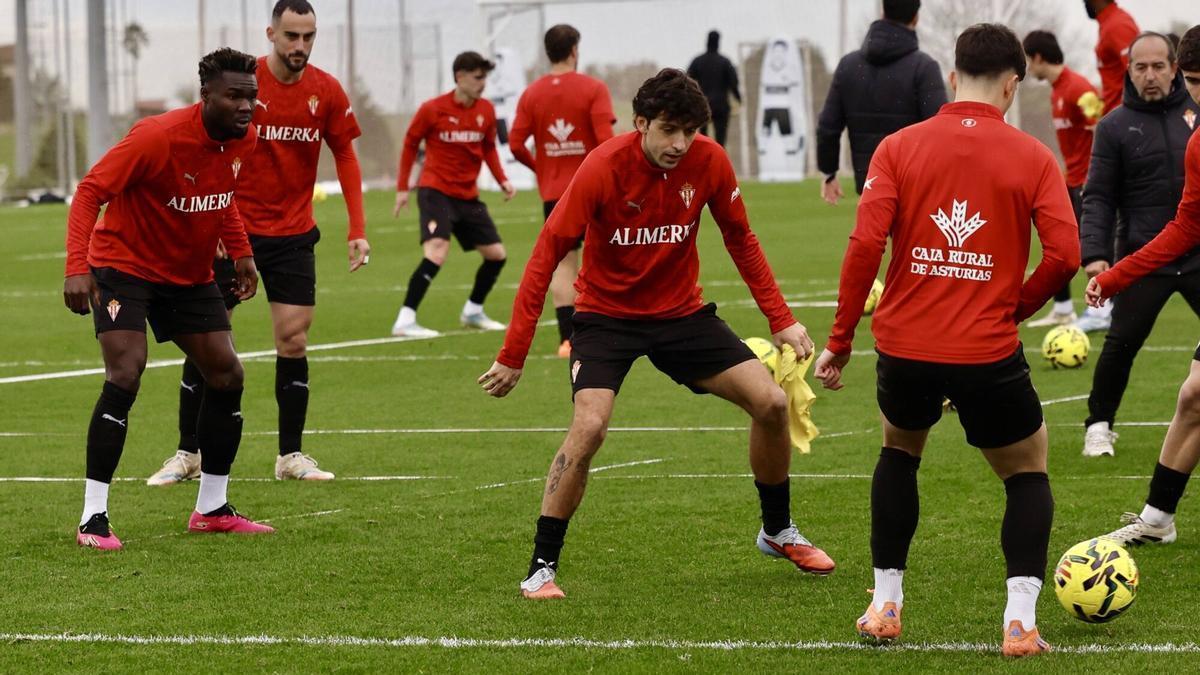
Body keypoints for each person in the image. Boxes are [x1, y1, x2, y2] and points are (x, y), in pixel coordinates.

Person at [480, 68, 834, 600]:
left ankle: (776, 529)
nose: (680, 144)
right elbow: (545, 256)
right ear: (640, 123)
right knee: (591, 426)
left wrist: (779, 317)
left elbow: (741, 238)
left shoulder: (709, 160)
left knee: (771, 404)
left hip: (680, 317)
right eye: (668, 130)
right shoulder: (602, 167)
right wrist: (514, 353)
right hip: (606, 319)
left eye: (689, 131)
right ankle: (541, 567)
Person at [813, 24, 1080, 656]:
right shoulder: (1034, 156)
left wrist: (841, 340)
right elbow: (1066, 253)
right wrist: (1015, 307)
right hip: (986, 352)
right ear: (1013, 85)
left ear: (953, 76)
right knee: (1025, 471)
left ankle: (883, 606)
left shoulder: (899, 147)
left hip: (904, 349)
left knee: (900, 453)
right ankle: (1019, 623)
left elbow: (862, 249)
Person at [148, 0, 369, 486]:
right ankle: (188, 453)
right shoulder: (244, 86)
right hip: (233, 235)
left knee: (293, 339)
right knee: (206, 339)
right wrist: (215, 225)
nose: (301, 46)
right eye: (292, 36)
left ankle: (291, 455)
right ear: (270, 34)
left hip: (293, 233)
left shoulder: (326, 90)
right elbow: (210, 151)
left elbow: (346, 155)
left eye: (309, 36)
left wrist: (357, 228)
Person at [65, 48, 276, 550]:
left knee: (227, 375)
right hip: (124, 268)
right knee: (126, 372)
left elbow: (220, 196)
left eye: (251, 96)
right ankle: (93, 518)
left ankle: (212, 508)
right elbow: (91, 190)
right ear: (206, 95)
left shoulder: (244, 139)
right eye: (234, 96)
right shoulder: (156, 136)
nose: (246, 106)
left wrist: (243, 253)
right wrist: (77, 268)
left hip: (187, 276)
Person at [1085, 24, 1200, 546]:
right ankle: (1156, 520)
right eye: (1198, 82)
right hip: (1156, 260)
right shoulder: (1188, 142)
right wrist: (1109, 272)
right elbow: (1183, 226)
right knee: (1194, 396)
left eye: (1164, 67)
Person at [391, 51, 515, 337]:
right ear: (460, 77)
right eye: (477, 77)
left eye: (485, 77)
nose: (483, 83)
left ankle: (473, 310)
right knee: (437, 251)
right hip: (436, 192)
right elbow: (410, 144)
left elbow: (488, 148)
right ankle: (405, 319)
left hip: (467, 197)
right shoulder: (432, 109)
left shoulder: (486, 110)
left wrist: (503, 180)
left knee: (497, 255)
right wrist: (402, 189)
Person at [509, 24, 615, 358]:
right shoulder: (593, 88)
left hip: (555, 193)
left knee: (564, 264)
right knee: (608, 257)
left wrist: (541, 168)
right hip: (595, 189)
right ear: (574, 51)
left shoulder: (532, 93)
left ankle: (568, 340)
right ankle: (613, 328)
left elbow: (514, 144)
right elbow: (607, 143)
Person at [816, 0, 946, 205]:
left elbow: (827, 127)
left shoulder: (848, 66)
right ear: (916, 17)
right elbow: (940, 131)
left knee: (871, 238)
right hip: (915, 186)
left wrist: (829, 172)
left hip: (870, 184)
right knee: (910, 239)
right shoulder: (924, 68)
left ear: (884, 11)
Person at [1022, 30, 1104, 328]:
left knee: (1091, 246)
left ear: (1039, 58)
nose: (1029, 68)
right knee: (1060, 243)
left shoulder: (1079, 89)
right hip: (1071, 180)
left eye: (1029, 61)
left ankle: (1101, 311)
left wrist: (1098, 179)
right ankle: (1064, 308)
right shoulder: (1057, 90)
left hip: (1088, 183)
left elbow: (1101, 130)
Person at [1084, 0, 1140, 115]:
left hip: (1125, 117)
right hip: (1116, 114)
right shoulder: (1108, 23)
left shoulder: (1118, 24)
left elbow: (1139, 74)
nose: (1085, 4)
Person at [687, 30, 741, 147]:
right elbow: (734, 83)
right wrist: (739, 99)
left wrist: (689, 100)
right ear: (718, 42)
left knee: (703, 138)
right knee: (721, 139)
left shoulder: (698, 61)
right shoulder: (725, 62)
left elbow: (686, 80)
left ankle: (704, 159)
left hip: (703, 103)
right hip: (721, 105)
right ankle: (718, 159)